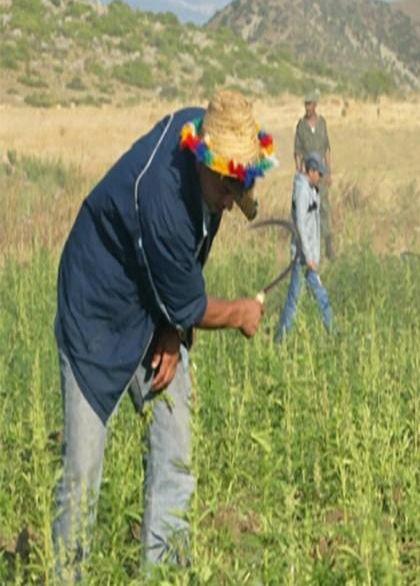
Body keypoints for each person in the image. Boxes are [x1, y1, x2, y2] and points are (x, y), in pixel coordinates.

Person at [51, 89, 275, 580]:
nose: (230, 196)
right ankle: (68, 575)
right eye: (224, 182)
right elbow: (191, 300)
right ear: (202, 159)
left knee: (175, 449)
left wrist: (172, 331)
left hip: (154, 304)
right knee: (84, 469)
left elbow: (188, 270)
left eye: (240, 183)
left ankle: (165, 574)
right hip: (97, 308)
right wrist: (237, 312)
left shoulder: (211, 158)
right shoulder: (163, 198)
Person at [275, 152, 334, 343]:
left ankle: (331, 331)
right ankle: (281, 339)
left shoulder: (311, 189)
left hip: (308, 259)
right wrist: (309, 257)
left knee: (313, 297)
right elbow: (300, 225)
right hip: (302, 259)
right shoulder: (301, 191)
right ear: (311, 171)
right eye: (319, 173)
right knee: (297, 300)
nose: (321, 177)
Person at [294, 90, 335, 260]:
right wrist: (300, 172)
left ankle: (329, 246)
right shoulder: (301, 126)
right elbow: (297, 152)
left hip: (321, 174)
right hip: (308, 175)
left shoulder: (322, 123)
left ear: (315, 105)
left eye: (310, 104)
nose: (308, 107)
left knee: (324, 208)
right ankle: (310, 247)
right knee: (309, 211)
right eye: (306, 104)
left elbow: (327, 149)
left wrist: (329, 172)